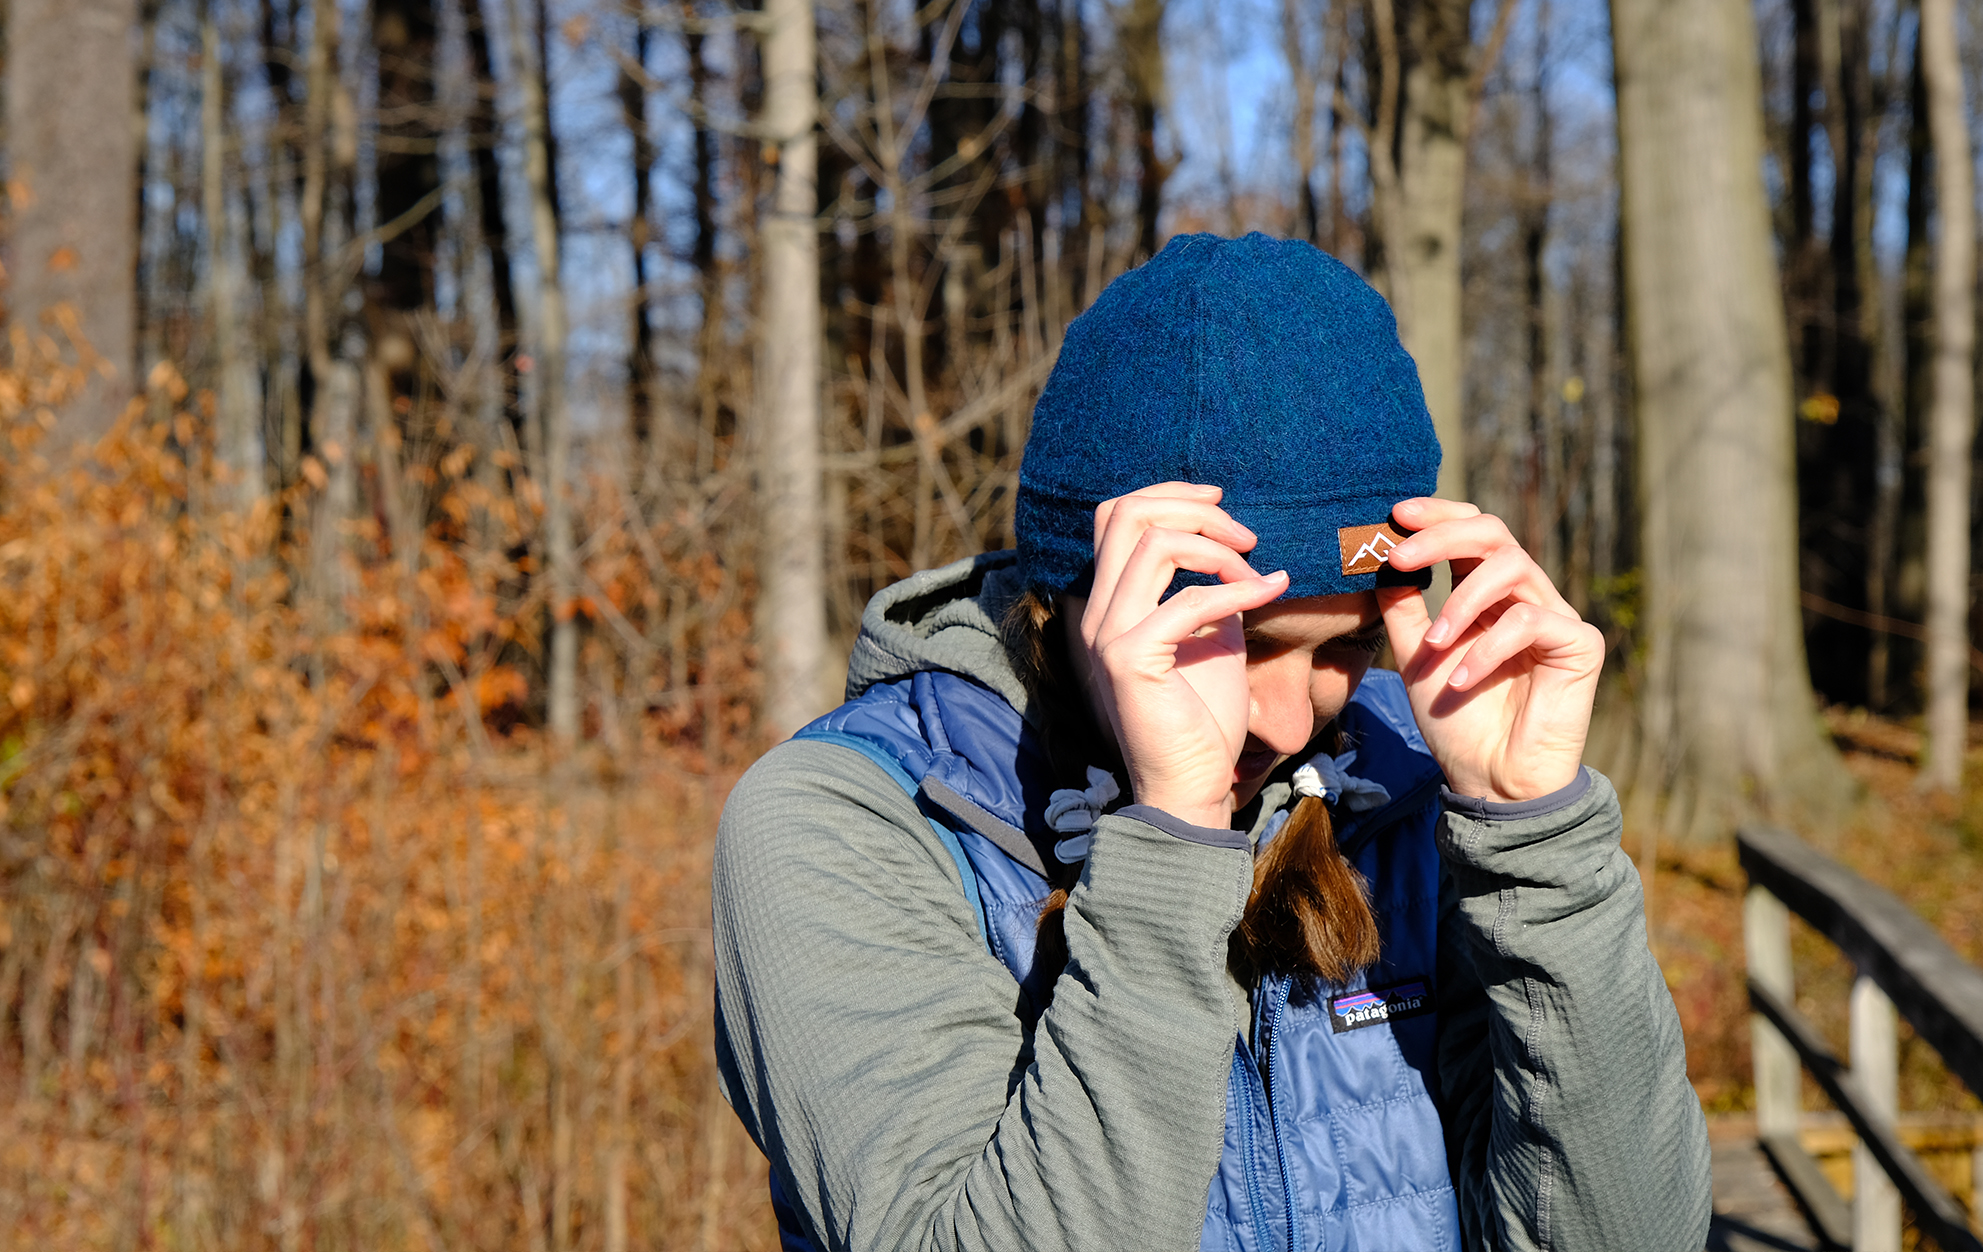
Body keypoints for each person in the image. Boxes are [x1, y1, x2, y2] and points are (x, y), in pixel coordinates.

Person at [711, 233, 1710, 1251]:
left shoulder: (1419, 787)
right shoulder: (850, 821)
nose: (1282, 720)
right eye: (1229, 637)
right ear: (1075, 598)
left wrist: (1536, 844)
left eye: (1345, 646)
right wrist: (1172, 841)